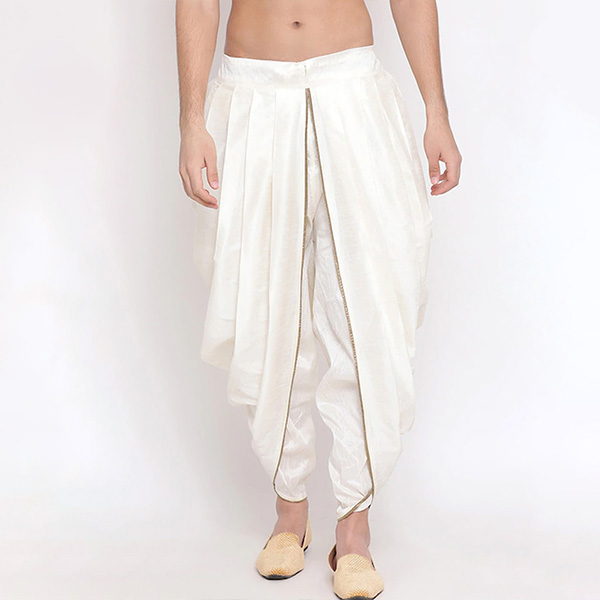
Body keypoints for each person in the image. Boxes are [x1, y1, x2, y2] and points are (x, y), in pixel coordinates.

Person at [176, 0, 461, 597]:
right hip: (252, 94)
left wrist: (436, 109)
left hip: (351, 88)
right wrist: (191, 121)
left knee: (368, 305)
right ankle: (290, 512)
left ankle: (354, 528)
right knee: (264, 309)